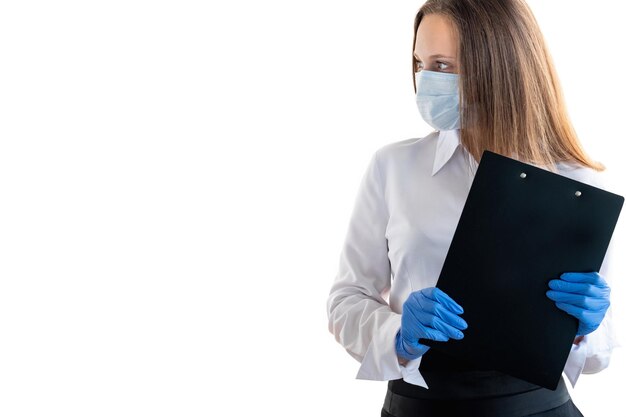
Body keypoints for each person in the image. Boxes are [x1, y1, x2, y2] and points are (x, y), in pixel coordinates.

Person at [325, 1, 617, 416]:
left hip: (535, 407)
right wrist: (398, 334)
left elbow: (598, 358)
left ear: (497, 67)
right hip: (418, 404)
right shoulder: (394, 167)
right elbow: (346, 298)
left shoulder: (577, 184)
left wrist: (587, 328)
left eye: (443, 65)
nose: (425, 80)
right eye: (420, 64)